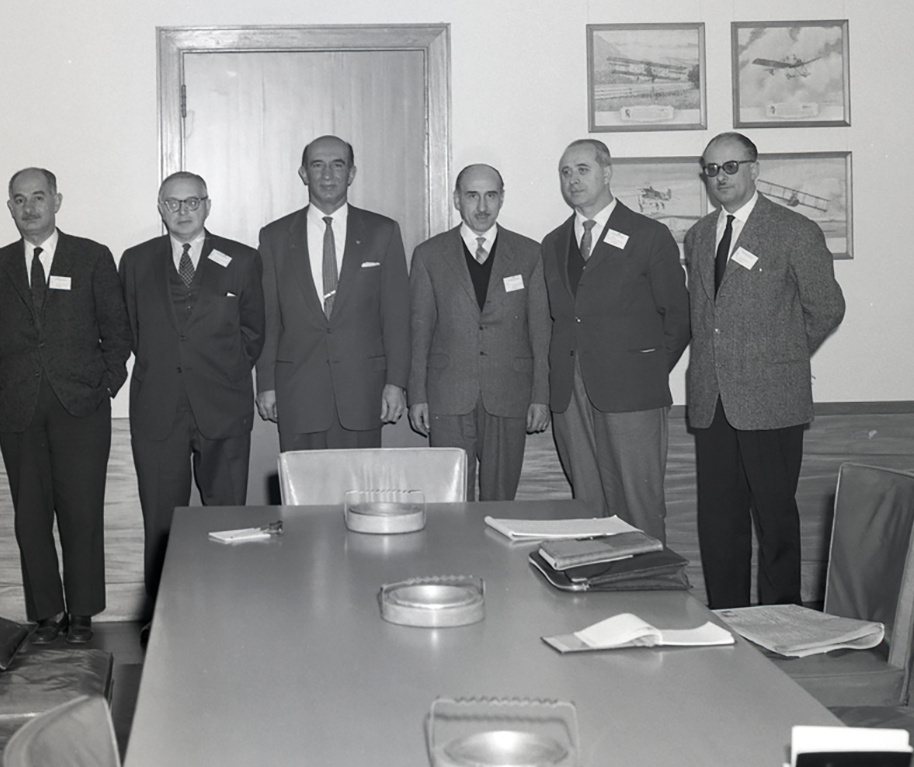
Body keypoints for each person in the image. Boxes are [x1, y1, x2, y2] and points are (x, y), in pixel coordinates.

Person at [685, 131, 846, 608]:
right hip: (713, 402)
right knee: (719, 522)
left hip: (772, 400)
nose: (720, 178)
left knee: (775, 521)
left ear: (755, 169)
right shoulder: (697, 236)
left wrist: (782, 357)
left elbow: (827, 307)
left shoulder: (794, 230)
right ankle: (727, 618)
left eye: (730, 167)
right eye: (711, 170)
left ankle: (782, 622)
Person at [0, 167, 130, 644]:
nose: (29, 208)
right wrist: (27, 374)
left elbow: (117, 331)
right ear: (10, 207)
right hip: (20, 407)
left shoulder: (92, 257)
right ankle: (46, 614)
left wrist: (103, 383)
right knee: (31, 517)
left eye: (38, 197)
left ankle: (82, 613)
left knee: (82, 513)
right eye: (19, 200)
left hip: (82, 405)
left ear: (57, 201)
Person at [119, 172, 264, 598]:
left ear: (208, 205)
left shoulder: (242, 259)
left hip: (223, 405)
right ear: (160, 207)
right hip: (158, 407)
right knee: (162, 524)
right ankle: (165, 614)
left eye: (192, 202)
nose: (182, 212)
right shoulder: (135, 260)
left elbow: (254, 331)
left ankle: (228, 603)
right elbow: (130, 328)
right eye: (172, 203)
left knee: (228, 518)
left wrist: (223, 371)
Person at [540, 139, 690, 538]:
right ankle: (596, 592)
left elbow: (678, 315)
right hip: (569, 394)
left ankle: (648, 595)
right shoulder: (553, 243)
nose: (573, 179)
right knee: (587, 506)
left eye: (582, 169)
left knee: (638, 505)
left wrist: (646, 369)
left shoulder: (648, 235)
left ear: (607, 173)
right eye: (565, 172)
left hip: (633, 392)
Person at [256, 135, 411, 451]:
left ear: (352, 173)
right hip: (297, 392)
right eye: (317, 165)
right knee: (303, 495)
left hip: (363, 391)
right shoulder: (274, 237)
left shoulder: (383, 232)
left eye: (337, 165)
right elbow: (268, 319)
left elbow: (397, 317)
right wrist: (266, 384)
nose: (327, 175)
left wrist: (396, 383)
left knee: (358, 495)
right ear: (303, 174)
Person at [408, 164, 551, 500]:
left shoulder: (530, 254)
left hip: (509, 394)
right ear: (457, 199)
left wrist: (540, 396)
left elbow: (542, 333)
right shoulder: (429, 255)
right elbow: (419, 333)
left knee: (501, 500)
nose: (482, 206)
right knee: (450, 498)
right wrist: (417, 395)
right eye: (472, 196)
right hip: (448, 395)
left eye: (491, 196)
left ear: (502, 199)